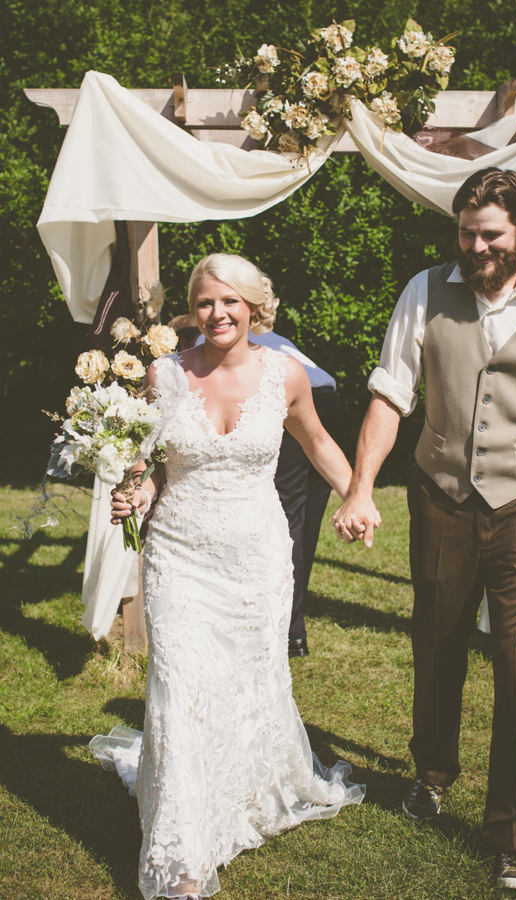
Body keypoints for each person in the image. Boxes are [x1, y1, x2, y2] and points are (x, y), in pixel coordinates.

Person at [333, 168, 516, 892]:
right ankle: (432, 773)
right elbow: (390, 395)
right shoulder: (425, 290)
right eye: (466, 231)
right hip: (441, 492)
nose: (475, 246)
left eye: (491, 234)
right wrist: (360, 487)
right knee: (438, 636)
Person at [99, 253, 364, 899]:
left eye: (230, 301)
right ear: (192, 309)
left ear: (254, 307)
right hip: (179, 557)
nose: (217, 313)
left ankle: (239, 789)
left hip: (256, 558)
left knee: (247, 682)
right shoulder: (162, 375)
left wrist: (358, 495)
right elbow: (148, 463)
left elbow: (318, 442)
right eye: (205, 302)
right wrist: (136, 492)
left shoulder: (285, 374)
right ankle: (182, 854)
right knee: (179, 686)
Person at [193, 327, 345, 657]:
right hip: (329, 401)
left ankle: (287, 629)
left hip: (293, 406)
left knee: (286, 517)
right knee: (304, 522)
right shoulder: (279, 342)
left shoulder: (212, 346)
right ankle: (294, 632)